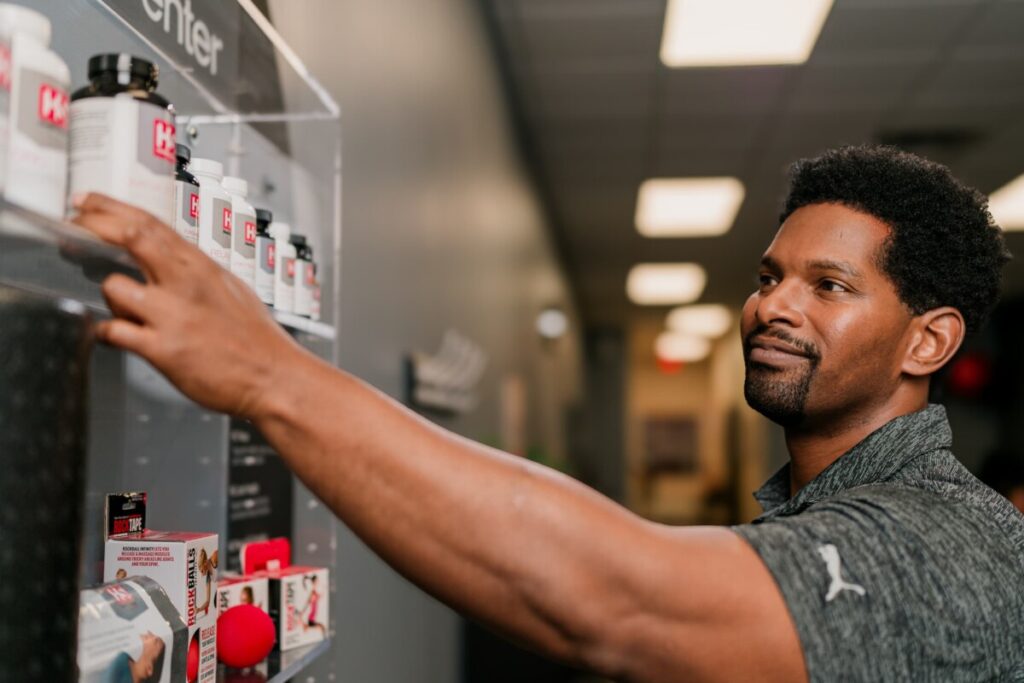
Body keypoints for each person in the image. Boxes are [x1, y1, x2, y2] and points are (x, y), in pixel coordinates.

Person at [71, 145, 1024, 682]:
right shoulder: (829, 506)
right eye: (770, 276)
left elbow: (611, 592)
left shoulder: (941, 542)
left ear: (927, 343)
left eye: (829, 285)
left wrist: (266, 375)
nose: (775, 306)